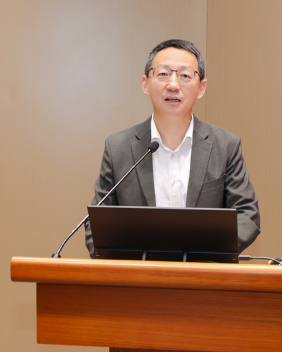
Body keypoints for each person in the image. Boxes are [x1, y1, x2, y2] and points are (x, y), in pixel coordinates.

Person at [84, 39, 260, 257]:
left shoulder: (225, 146)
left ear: (201, 88)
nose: (173, 85)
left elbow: (247, 215)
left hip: (204, 275)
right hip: (138, 276)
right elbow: (97, 225)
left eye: (185, 75)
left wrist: (202, 255)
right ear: (145, 84)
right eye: (163, 74)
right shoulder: (118, 148)